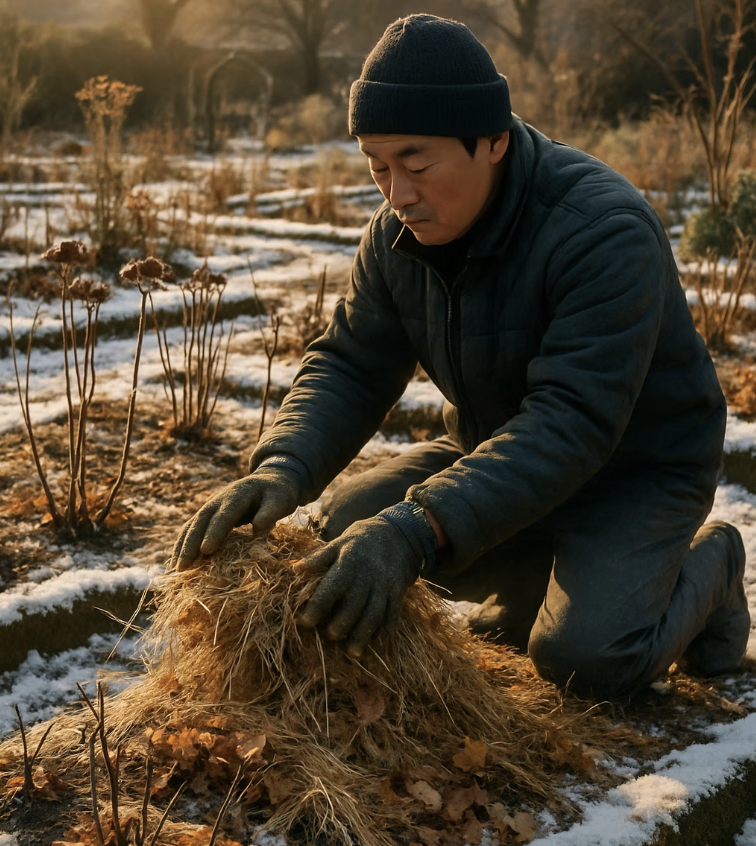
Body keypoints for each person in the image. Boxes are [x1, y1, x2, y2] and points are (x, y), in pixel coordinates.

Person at [171, 14, 751, 699]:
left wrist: (418, 526)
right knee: (346, 535)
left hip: (636, 473)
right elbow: (351, 363)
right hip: (502, 454)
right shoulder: (396, 235)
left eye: (416, 164)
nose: (398, 194)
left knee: (584, 659)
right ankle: (536, 576)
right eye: (377, 168)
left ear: (495, 141)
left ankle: (711, 569)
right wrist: (282, 467)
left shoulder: (601, 231)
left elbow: (573, 421)